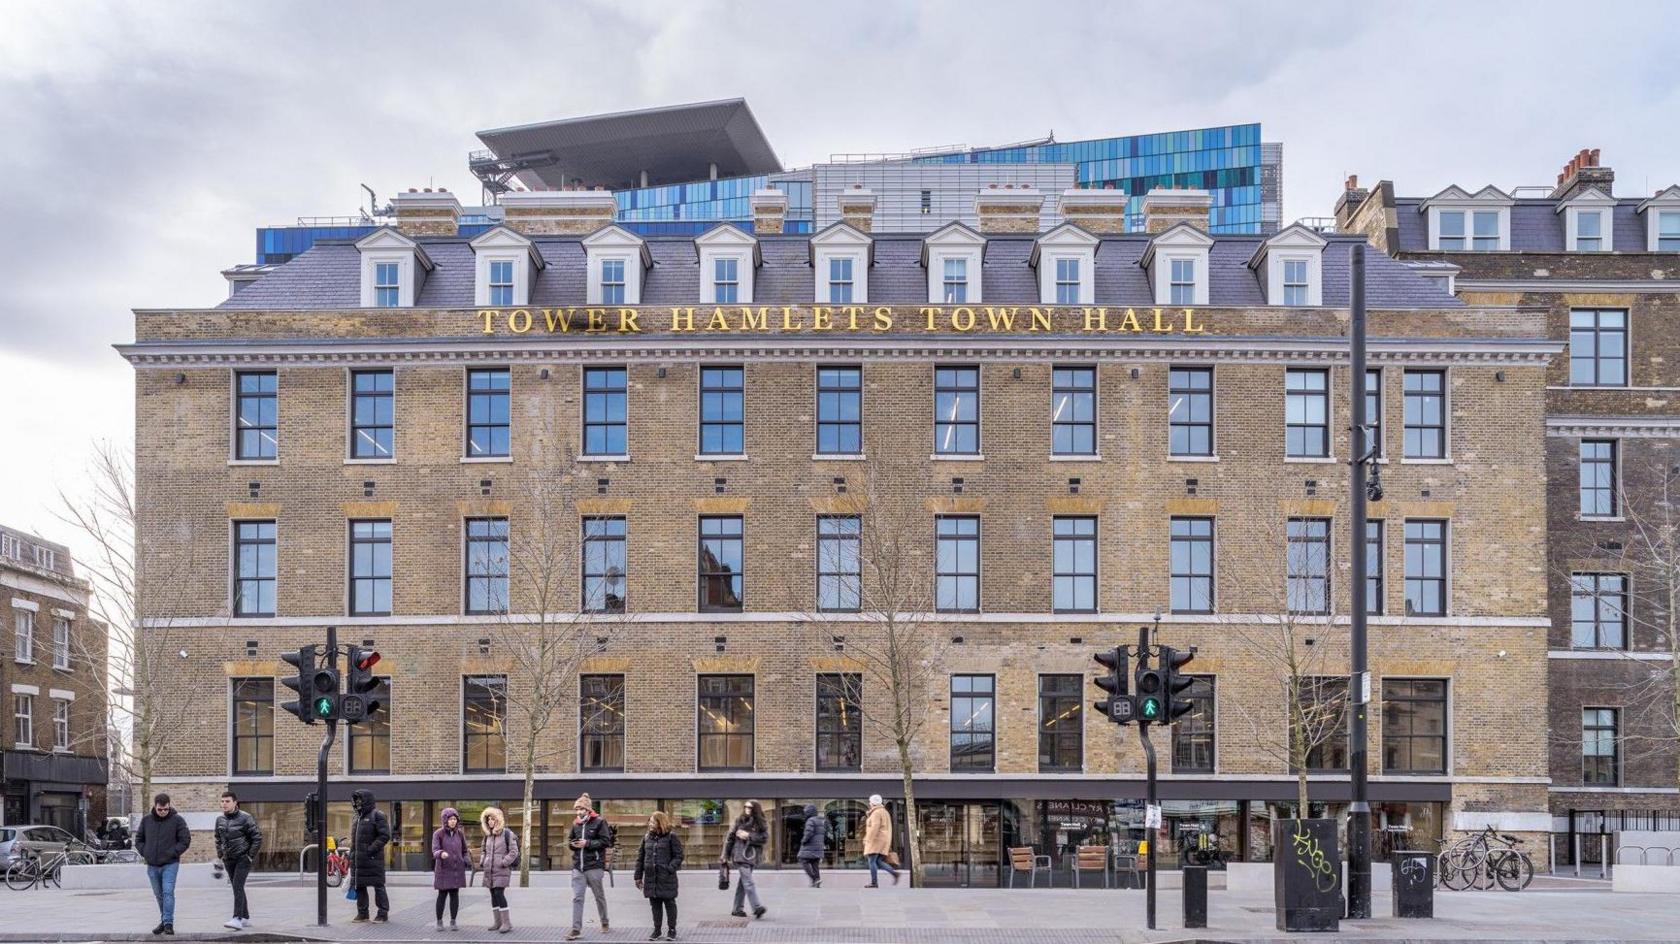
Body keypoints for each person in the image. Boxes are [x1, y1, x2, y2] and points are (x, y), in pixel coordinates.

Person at [136, 792, 190, 936]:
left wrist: (173, 852)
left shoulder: (178, 820)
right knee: (159, 895)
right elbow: (139, 839)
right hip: (152, 864)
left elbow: (185, 840)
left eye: (165, 809)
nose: (163, 812)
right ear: (155, 806)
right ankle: (164, 920)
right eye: (160, 809)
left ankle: (168, 923)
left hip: (170, 864)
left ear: (169, 806)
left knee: (167, 892)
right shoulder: (146, 820)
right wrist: (145, 852)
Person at [213, 789, 263, 930]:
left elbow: (257, 838)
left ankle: (237, 918)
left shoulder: (245, 818)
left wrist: (249, 856)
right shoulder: (220, 820)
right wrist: (220, 853)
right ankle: (245, 917)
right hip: (228, 859)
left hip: (243, 858)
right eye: (222, 801)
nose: (224, 804)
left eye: (227, 801)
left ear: (235, 803)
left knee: (237, 886)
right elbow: (218, 837)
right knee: (237, 887)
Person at [565, 793, 612, 941]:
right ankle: (576, 929)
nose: (578, 812)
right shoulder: (576, 824)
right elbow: (571, 841)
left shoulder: (599, 822)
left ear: (588, 810)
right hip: (578, 867)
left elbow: (606, 842)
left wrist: (588, 843)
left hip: (594, 867)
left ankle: (604, 922)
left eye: (581, 809)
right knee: (577, 898)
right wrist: (572, 844)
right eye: (577, 809)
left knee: (599, 897)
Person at [633, 810, 684, 941]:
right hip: (651, 878)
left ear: (659, 822)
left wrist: (670, 868)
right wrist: (638, 877)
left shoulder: (671, 837)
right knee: (655, 905)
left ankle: (672, 930)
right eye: (649, 821)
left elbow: (679, 856)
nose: (650, 824)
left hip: (666, 877)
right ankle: (657, 930)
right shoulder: (646, 838)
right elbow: (640, 858)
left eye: (652, 821)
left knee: (669, 904)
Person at [348, 789, 391, 923]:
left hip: (373, 859)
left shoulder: (377, 815)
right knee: (359, 886)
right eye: (356, 800)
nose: (358, 803)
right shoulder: (356, 818)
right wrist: (351, 855)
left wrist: (370, 850)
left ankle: (383, 913)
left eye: (360, 800)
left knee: (378, 886)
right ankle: (363, 913)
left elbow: (384, 835)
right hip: (358, 860)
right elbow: (355, 839)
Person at [722, 800, 768, 919]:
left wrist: (748, 836)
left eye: (750, 807)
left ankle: (737, 909)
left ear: (755, 809)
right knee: (748, 882)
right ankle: (757, 907)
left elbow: (764, 838)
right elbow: (730, 838)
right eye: (745, 807)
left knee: (743, 882)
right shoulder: (740, 820)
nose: (747, 809)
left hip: (752, 856)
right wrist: (725, 856)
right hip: (740, 855)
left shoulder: (760, 822)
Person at [479, 807, 519, 934]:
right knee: (493, 895)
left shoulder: (507, 834)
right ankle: (497, 922)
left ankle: (506, 923)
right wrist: (483, 860)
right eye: (488, 819)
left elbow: (514, 851)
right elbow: (483, 850)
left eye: (492, 819)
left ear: (498, 820)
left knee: (499, 894)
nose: (490, 821)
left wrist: (503, 862)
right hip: (489, 870)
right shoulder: (488, 835)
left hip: (501, 870)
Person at [431, 807, 468, 931]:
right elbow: (435, 850)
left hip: (456, 870)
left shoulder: (460, 834)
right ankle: (439, 921)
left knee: (454, 895)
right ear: (445, 820)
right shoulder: (438, 834)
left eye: (454, 819)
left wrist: (465, 860)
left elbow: (464, 850)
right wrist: (441, 853)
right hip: (443, 870)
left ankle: (453, 921)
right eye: (450, 819)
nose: (453, 821)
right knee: (442, 895)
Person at [863, 794, 899, 887]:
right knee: (878, 861)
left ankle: (874, 883)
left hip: (876, 840)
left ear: (873, 803)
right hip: (883, 840)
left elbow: (874, 828)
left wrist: (868, 839)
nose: (869, 803)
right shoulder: (884, 812)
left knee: (871, 861)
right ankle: (894, 873)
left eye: (870, 802)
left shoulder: (876, 813)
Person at [797, 804, 828, 888]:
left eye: (806, 812)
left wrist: (803, 841)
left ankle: (814, 879)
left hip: (810, 846)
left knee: (803, 859)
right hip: (818, 847)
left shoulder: (810, 820)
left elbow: (808, 833)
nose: (805, 813)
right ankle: (817, 880)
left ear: (809, 812)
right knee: (814, 863)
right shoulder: (819, 820)